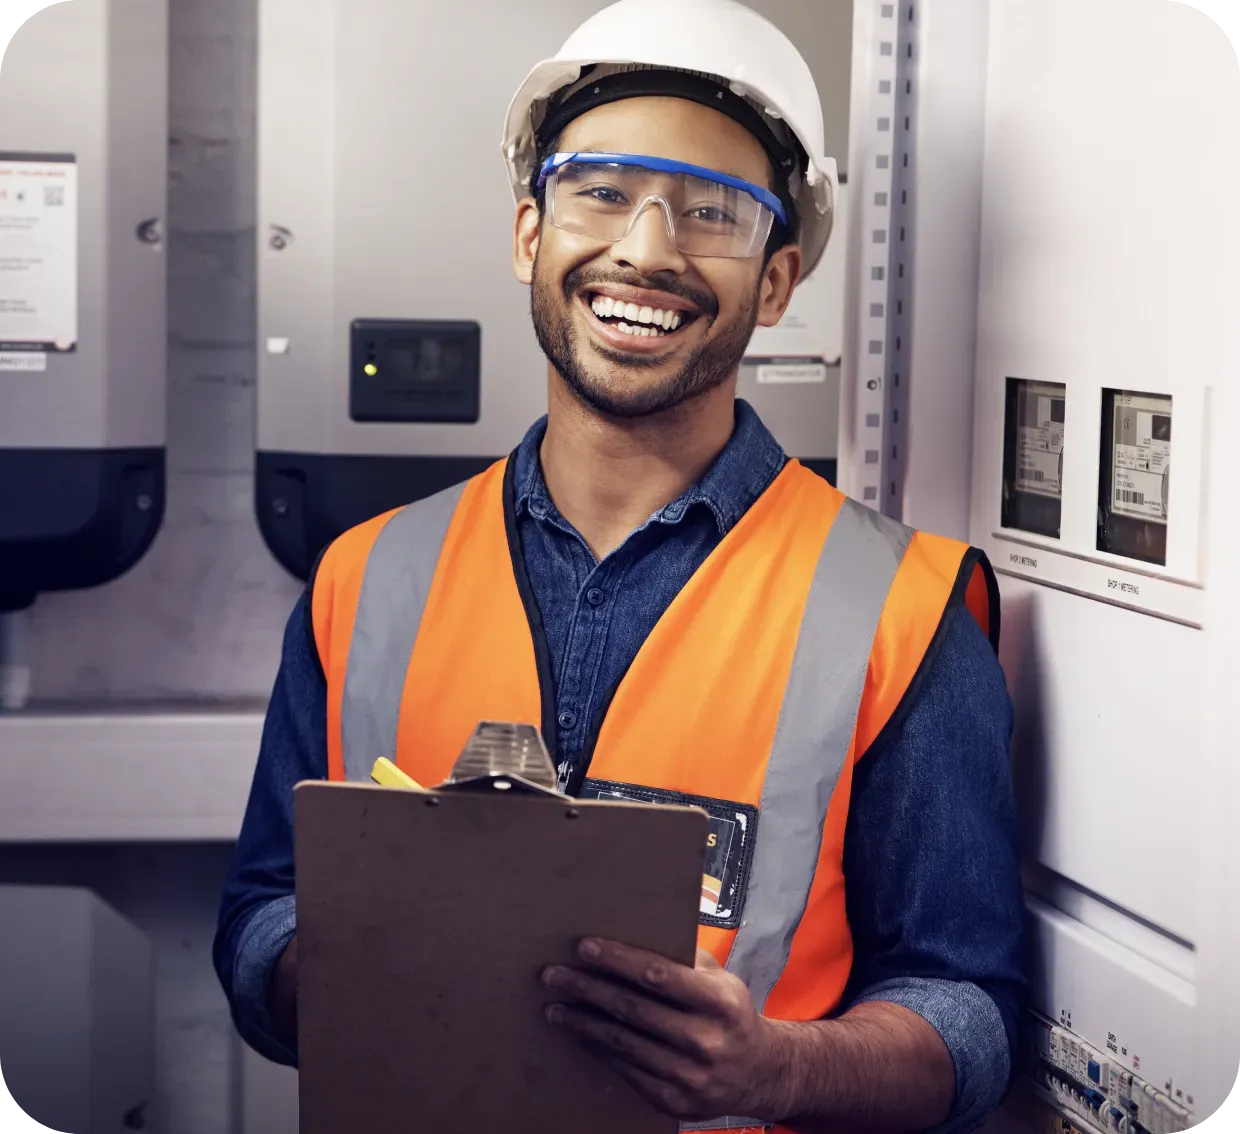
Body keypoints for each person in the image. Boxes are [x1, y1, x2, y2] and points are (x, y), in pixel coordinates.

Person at [215, 1, 1027, 1130]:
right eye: (600, 190)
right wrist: (357, 974)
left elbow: (969, 1009)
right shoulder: (363, 578)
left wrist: (774, 1070)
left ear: (779, 281)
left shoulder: (903, 611)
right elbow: (261, 912)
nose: (646, 249)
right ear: (526, 235)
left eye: (712, 212)